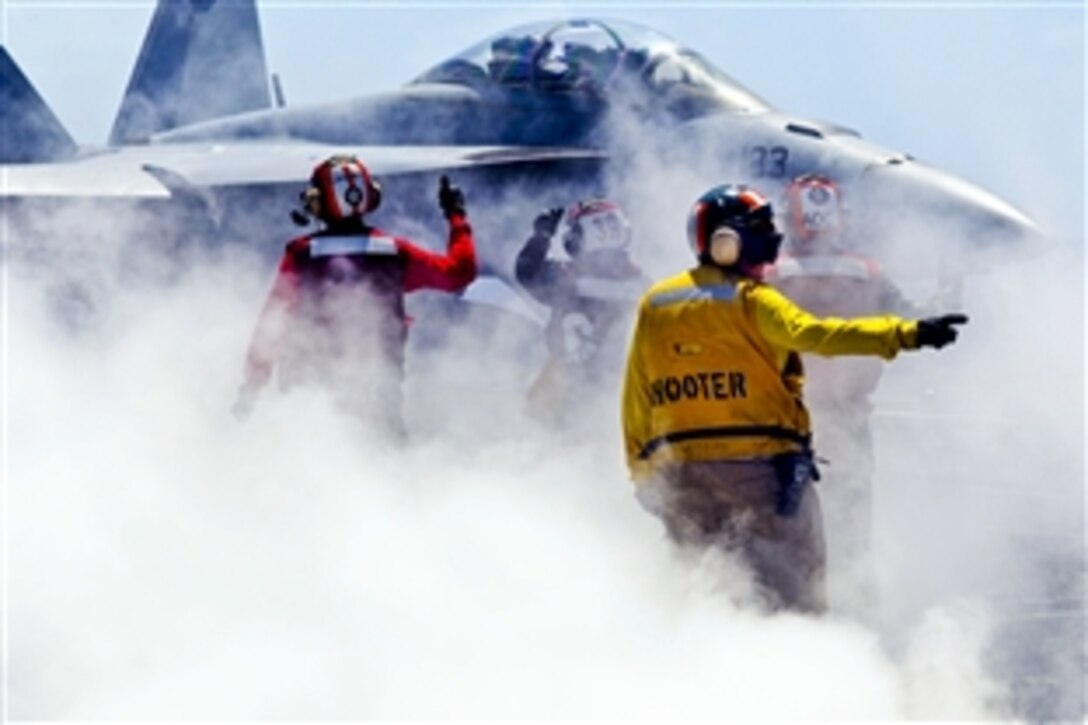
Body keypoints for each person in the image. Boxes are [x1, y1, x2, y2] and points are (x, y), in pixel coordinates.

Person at [620, 183, 967, 613]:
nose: (770, 247)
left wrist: (641, 474)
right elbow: (819, 335)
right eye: (760, 234)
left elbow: (635, 396)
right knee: (798, 593)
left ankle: (694, 668)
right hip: (763, 472)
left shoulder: (656, 303)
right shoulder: (755, 300)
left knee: (699, 587)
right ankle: (806, 668)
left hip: (680, 475)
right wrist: (908, 333)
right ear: (727, 244)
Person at [764, 173, 927, 618]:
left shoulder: (772, 275)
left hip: (789, 420)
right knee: (852, 518)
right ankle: (856, 611)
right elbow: (909, 319)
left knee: (788, 521)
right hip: (850, 417)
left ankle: (793, 610)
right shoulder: (870, 272)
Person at [232, 155, 477, 440]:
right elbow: (459, 272)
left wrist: (251, 388)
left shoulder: (301, 254)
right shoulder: (394, 253)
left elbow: (271, 328)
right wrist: (456, 216)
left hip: (309, 406)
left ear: (318, 202)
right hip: (379, 405)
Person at [515, 198, 650, 427]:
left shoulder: (565, 278)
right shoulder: (640, 284)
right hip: (614, 389)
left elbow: (527, 272)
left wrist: (541, 237)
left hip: (569, 388)